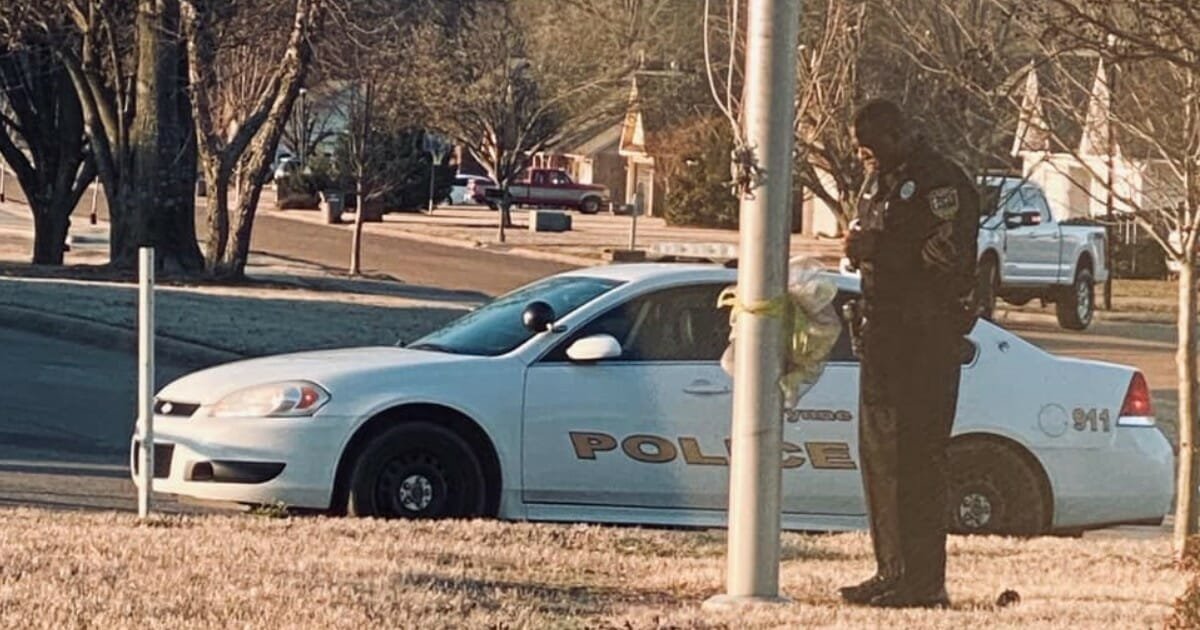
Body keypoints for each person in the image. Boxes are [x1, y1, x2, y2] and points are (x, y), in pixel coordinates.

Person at [839, 99, 979, 608]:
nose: (865, 156)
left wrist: (879, 248)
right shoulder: (879, 182)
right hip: (881, 336)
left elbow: (947, 257)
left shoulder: (942, 182)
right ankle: (890, 569)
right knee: (880, 458)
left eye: (872, 145)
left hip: (925, 341)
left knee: (918, 460)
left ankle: (923, 581)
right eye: (860, 149)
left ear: (899, 132)